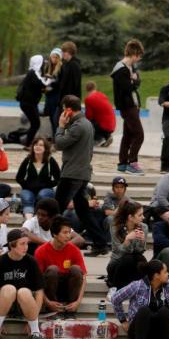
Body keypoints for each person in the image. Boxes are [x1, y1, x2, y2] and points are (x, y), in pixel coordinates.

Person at [54, 95, 109, 256]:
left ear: (69, 110)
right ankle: (100, 243)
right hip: (82, 172)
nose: (63, 112)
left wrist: (61, 126)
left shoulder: (78, 126)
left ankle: (51, 241)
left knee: (57, 208)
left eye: (64, 109)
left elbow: (59, 143)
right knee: (83, 210)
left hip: (72, 173)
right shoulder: (86, 124)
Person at [0, 229, 43, 339]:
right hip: (3, 305)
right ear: (12, 245)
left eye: (27, 243)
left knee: (24, 291)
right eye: (22, 244)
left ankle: (35, 331)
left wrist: (32, 318)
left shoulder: (31, 261)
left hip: (25, 306)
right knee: (9, 289)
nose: (26, 247)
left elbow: (39, 292)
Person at [34, 215, 86, 316]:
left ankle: (71, 309)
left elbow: (83, 277)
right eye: (65, 232)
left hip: (68, 288)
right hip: (51, 289)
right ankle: (52, 310)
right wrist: (47, 302)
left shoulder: (74, 249)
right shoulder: (41, 251)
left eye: (69, 232)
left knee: (76, 269)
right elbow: (37, 282)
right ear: (54, 234)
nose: (68, 236)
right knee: (52, 270)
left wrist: (78, 302)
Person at [111, 38, 145, 175]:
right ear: (135, 54)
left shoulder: (130, 68)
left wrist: (135, 80)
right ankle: (132, 163)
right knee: (139, 134)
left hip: (132, 105)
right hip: (127, 106)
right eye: (139, 56)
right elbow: (127, 88)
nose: (138, 59)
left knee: (128, 135)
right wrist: (134, 80)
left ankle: (122, 163)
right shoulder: (121, 69)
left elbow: (136, 82)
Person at [107, 200, 148, 293]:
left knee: (141, 259)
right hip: (117, 264)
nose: (143, 217)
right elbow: (118, 252)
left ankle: (142, 290)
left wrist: (141, 242)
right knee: (128, 258)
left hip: (133, 262)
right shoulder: (115, 227)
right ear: (130, 217)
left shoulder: (144, 227)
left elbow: (139, 251)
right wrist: (127, 240)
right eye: (140, 215)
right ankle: (114, 289)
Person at [15, 136, 60, 218]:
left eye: (41, 145)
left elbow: (58, 178)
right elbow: (19, 177)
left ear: (45, 148)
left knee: (42, 194)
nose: (37, 147)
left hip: (46, 190)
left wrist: (48, 185)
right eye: (35, 145)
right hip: (29, 189)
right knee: (26, 197)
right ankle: (29, 222)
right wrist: (27, 185)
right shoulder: (28, 160)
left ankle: (39, 215)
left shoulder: (50, 160)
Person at [17, 55, 49, 147]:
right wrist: (49, 81)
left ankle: (26, 140)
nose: (43, 65)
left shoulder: (34, 73)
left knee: (35, 123)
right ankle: (27, 143)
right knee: (36, 124)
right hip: (28, 103)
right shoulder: (33, 73)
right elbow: (41, 84)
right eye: (42, 63)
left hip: (30, 103)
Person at [84, 80, 116, 147]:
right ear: (95, 87)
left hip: (103, 126)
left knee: (86, 122)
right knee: (101, 119)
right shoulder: (102, 95)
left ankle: (98, 139)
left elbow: (88, 116)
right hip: (112, 125)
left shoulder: (88, 99)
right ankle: (107, 136)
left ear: (86, 89)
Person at [44, 47, 62, 132]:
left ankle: (57, 136)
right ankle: (54, 135)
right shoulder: (48, 67)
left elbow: (59, 83)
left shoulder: (61, 68)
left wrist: (51, 79)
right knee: (51, 117)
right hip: (49, 95)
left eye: (56, 57)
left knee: (55, 118)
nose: (53, 59)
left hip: (56, 95)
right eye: (52, 57)